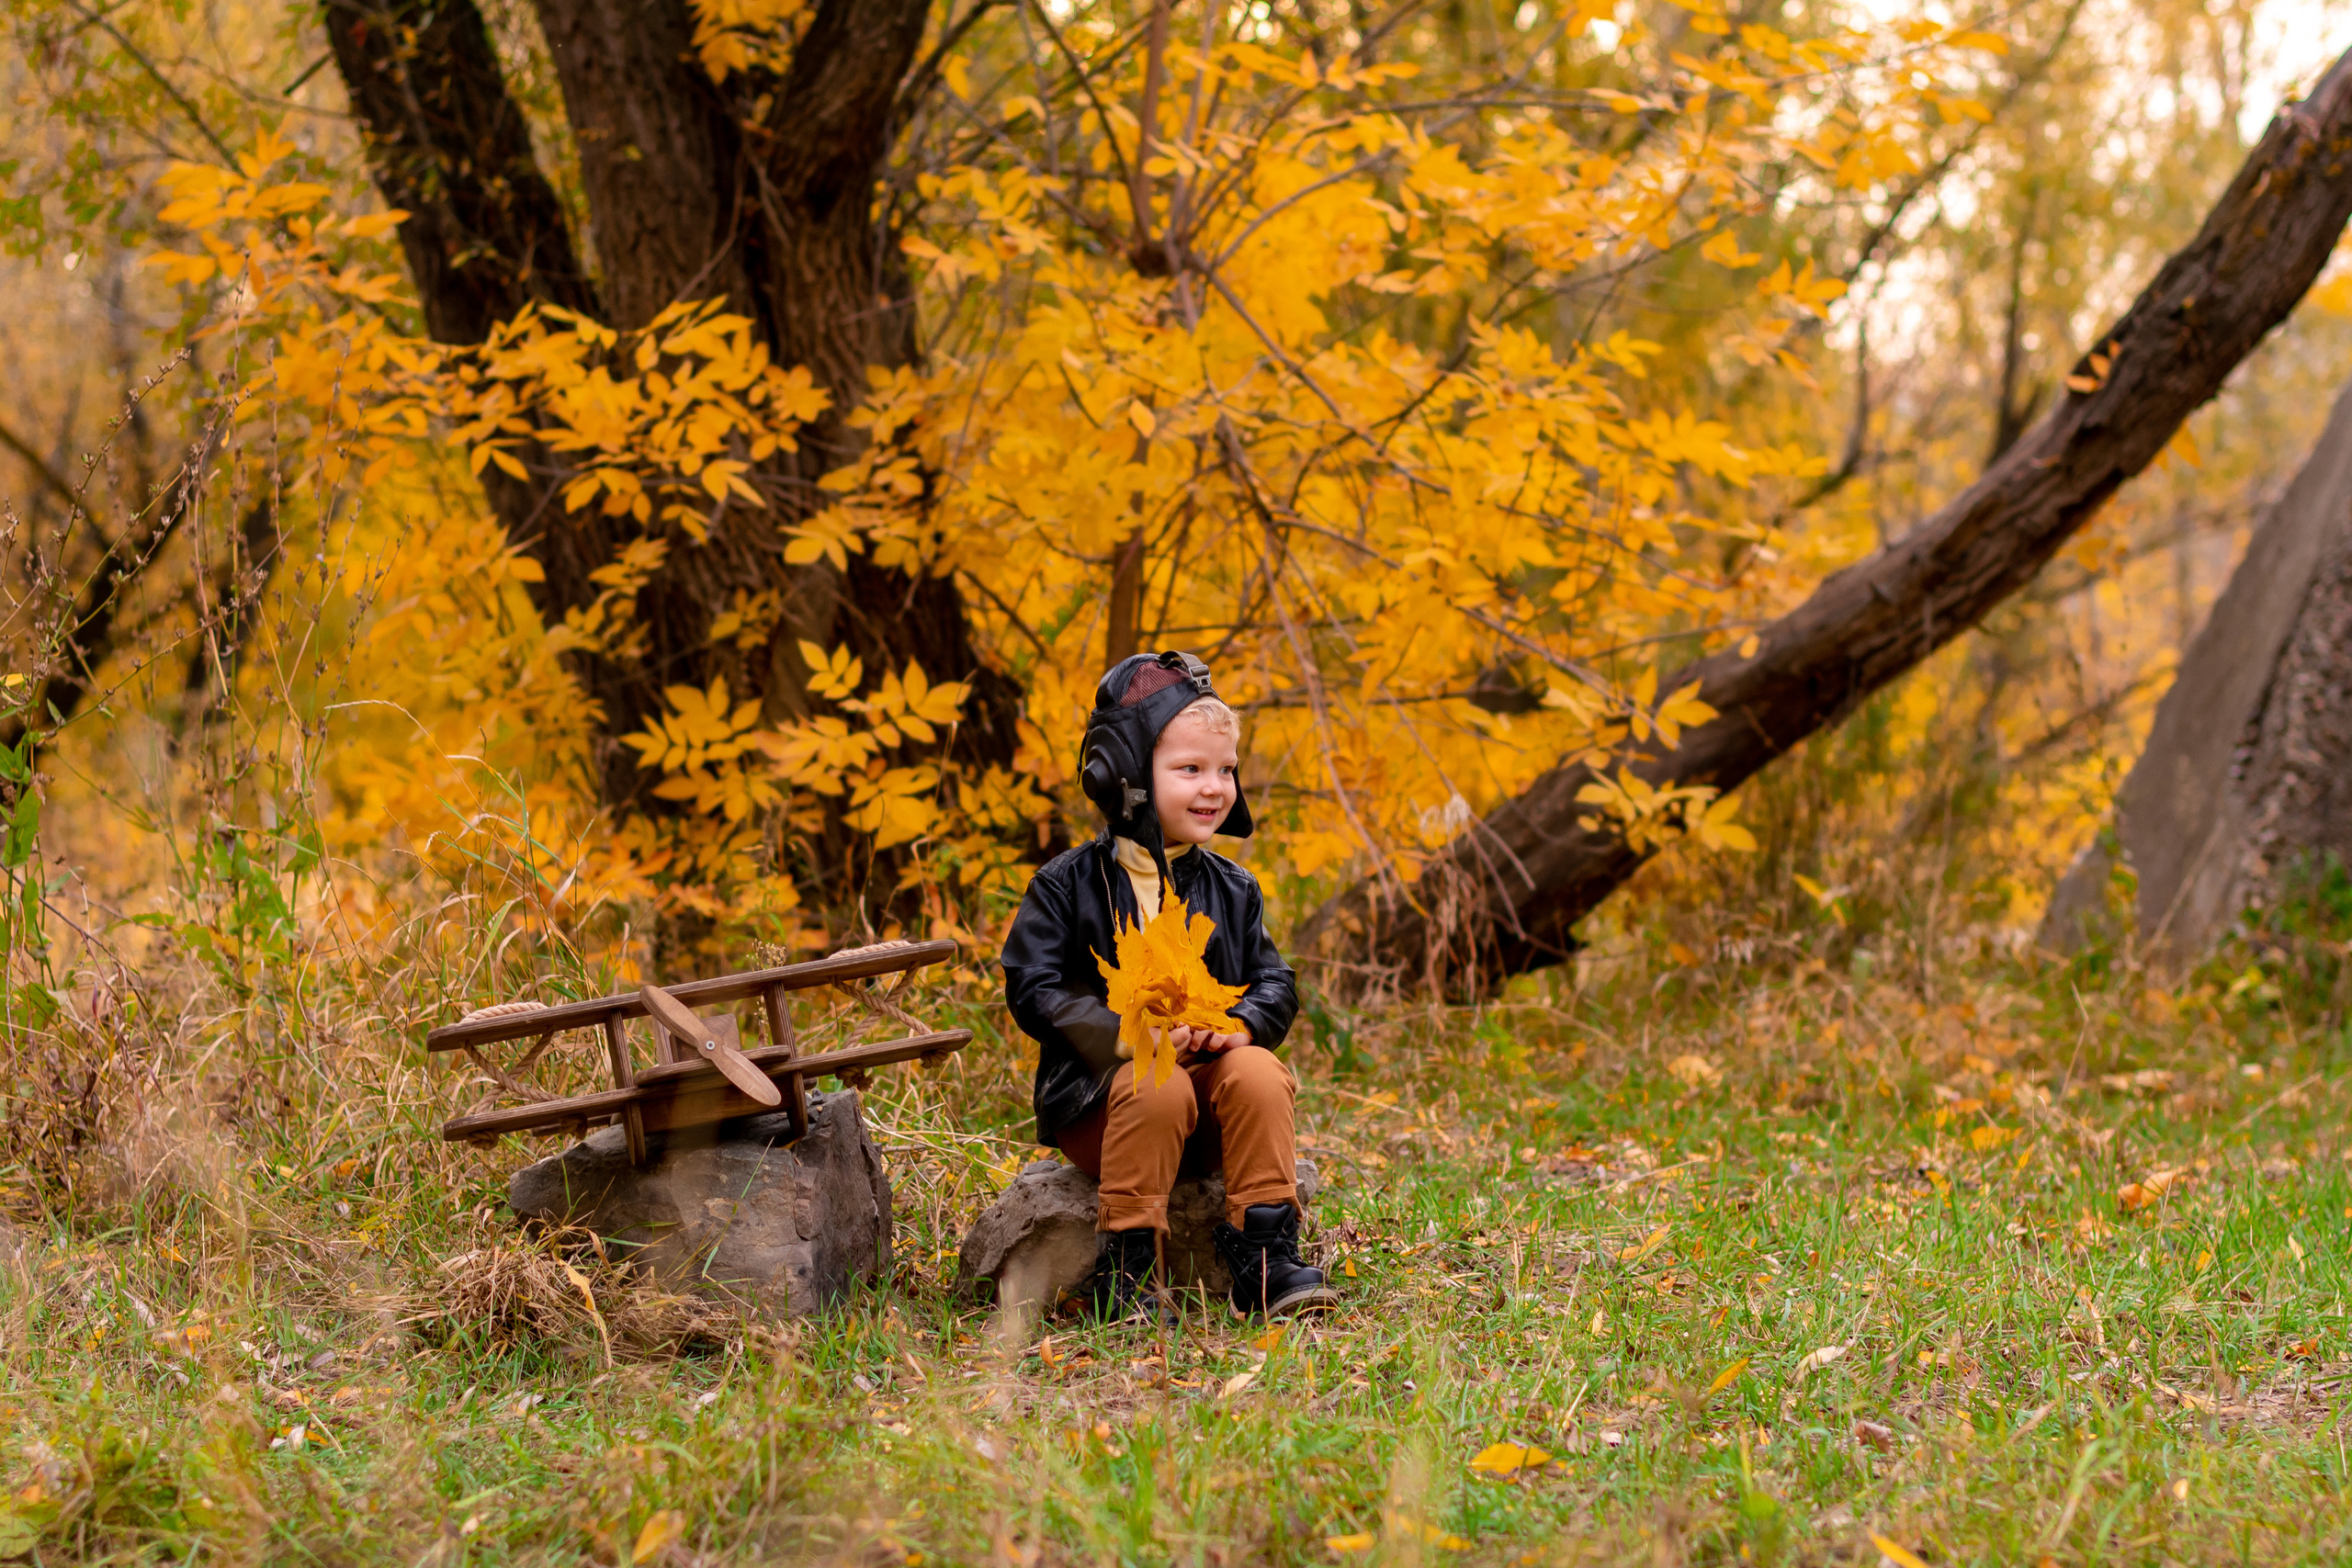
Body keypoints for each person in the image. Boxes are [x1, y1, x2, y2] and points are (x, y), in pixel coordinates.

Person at [1001, 651, 1337, 1323]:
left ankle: (1265, 1257)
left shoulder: (1233, 889)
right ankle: (1127, 1269)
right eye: (1190, 769)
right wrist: (1122, 1036)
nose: (1215, 787)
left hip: (1209, 1114)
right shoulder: (1067, 885)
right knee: (1158, 1080)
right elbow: (1032, 985)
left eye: (1226, 770)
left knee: (1259, 1071)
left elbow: (1275, 979)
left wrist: (1238, 1025)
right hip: (1105, 1106)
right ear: (1120, 773)